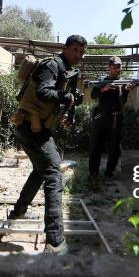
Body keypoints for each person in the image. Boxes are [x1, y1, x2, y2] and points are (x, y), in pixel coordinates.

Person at [8, 34, 87, 255]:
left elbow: (66, 96)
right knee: (53, 172)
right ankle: (54, 240)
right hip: (30, 127)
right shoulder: (52, 65)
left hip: (37, 128)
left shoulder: (68, 71)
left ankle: (18, 214)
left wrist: (73, 99)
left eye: (81, 52)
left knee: (41, 171)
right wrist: (65, 97)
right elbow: (44, 92)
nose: (78, 55)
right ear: (65, 48)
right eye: (75, 50)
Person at [88, 56, 134, 181]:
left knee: (115, 148)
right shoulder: (102, 80)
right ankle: (93, 173)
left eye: (119, 67)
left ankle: (109, 172)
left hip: (116, 118)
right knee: (96, 145)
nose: (117, 69)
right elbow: (93, 95)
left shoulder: (123, 82)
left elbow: (122, 101)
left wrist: (125, 90)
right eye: (114, 67)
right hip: (101, 116)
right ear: (109, 68)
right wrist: (105, 88)